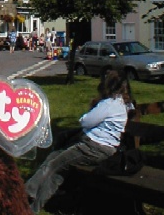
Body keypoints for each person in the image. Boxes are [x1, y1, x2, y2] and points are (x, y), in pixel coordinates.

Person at [25, 70, 133, 214]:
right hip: (98, 146)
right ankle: (31, 205)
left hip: (95, 147)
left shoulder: (110, 104)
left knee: (54, 164)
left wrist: (93, 108)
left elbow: (86, 121)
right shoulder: (122, 104)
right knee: (56, 164)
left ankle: (27, 193)